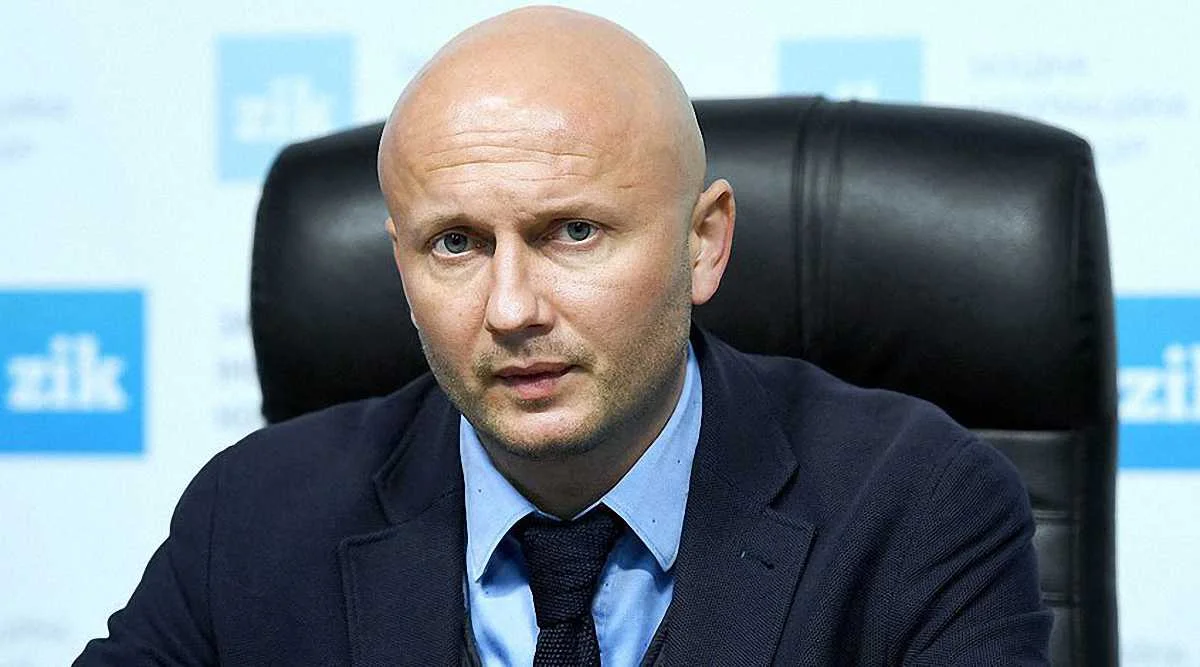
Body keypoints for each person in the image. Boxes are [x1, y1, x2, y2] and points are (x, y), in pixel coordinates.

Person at [76, 6, 1050, 666]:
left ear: (704, 243)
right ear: (401, 265)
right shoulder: (251, 520)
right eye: (456, 244)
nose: (511, 309)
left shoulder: (918, 506)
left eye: (573, 232)